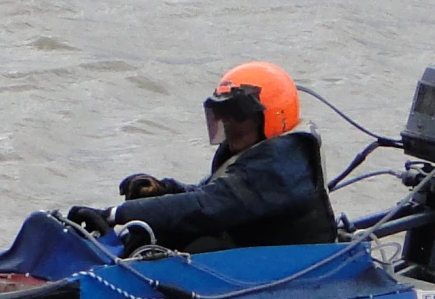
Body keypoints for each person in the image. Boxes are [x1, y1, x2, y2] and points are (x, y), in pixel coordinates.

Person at [99, 62, 339, 252]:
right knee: (164, 235)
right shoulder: (257, 151)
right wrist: (163, 190)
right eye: (224, 114)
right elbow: (210, 194)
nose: (228, 123)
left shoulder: (279, 165)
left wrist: (116, 214)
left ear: (274, 116)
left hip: (294, 266)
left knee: (201, 247)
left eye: (238, 115)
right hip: (257, 251)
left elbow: (210, 207)